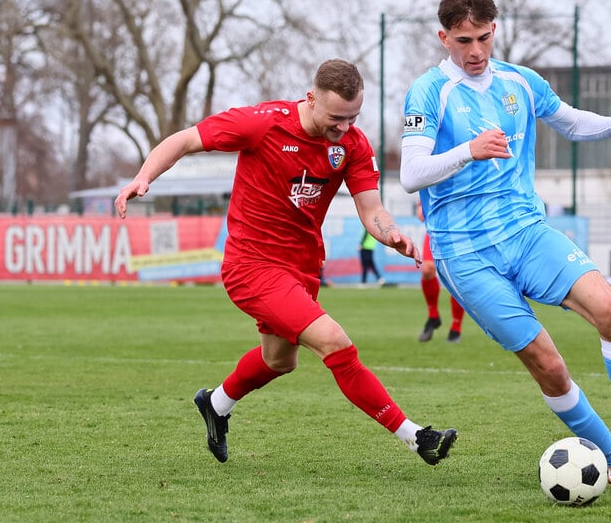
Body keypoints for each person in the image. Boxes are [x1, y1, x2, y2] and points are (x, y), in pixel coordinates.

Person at [400, 0, 611, 495]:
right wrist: (468, 151)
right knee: (548, 363)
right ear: (443, 38)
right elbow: (411, 173)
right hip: (465, 251)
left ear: (494, 30)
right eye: (462, 41)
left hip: (526, 231)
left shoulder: (519, 81)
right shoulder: (428, 92)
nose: (475, 51)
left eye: (482, 37)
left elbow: (569, 121)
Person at [114, 59, 457, 466]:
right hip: (251, 266)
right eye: (335, 118)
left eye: (353, 117)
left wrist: (391, 233)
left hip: (302, 267)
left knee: (280, 360)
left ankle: (216, 403)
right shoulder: (262, 123)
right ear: (310, 99)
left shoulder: (353, 144)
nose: (344, 128)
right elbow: (185, 140)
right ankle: (416, 436)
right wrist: (144, 176)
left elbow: (372, 208)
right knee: (335, 343)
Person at [416, 200, 465, 342]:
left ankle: (456, 328)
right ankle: (433, 316)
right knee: (427, 269)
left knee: (457, 278)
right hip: (435, 231)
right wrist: (421, 207)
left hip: (459, 231)